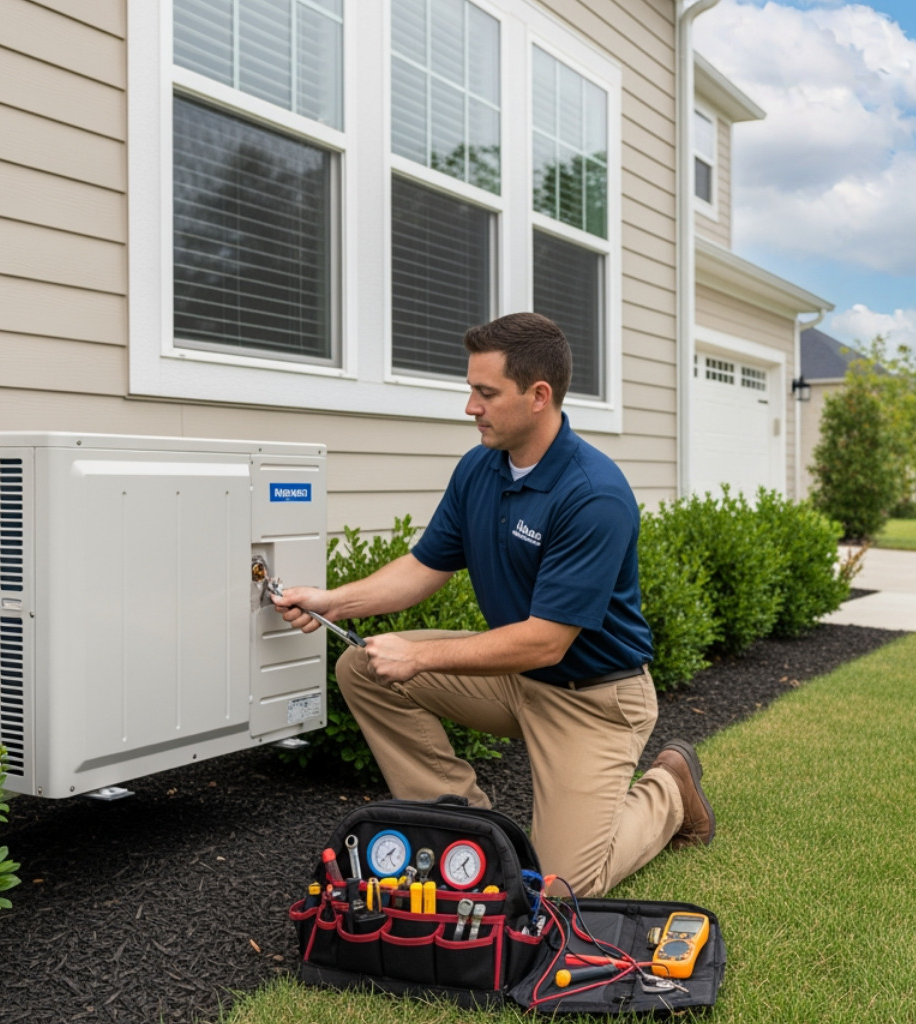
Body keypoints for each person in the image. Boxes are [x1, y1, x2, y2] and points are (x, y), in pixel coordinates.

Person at [271, 312, 714, 898]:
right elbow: (424, 567)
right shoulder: (480, 467)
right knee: (364, 667)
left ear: (538, 396)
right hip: (515, 679)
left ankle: (669, 791)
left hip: (595, 698)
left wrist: (422, 657)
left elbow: (547, 640)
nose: (469, 407)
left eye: (485, 393)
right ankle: (470, 830)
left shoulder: (593, 495)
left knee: (562, 887)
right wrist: (333, 600)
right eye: (470, 389)